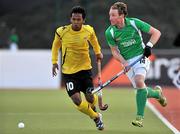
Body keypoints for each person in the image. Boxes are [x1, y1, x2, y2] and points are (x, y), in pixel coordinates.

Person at [105, 2, 167, 127]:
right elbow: (114, 52)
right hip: (127, 62)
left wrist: (149, 46)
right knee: (141, 89)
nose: (110, 18)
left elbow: (156, 33)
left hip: (141, 57)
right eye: (110, 15)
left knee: (139, 81)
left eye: (113, 15)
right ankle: (157, 94)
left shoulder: (134, 23)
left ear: (121, 15)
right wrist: (124, 63)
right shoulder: (110, 32)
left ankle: (139, 118)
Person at [51, 6, 104, 130]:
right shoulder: (61, 31)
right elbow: (55, 46)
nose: (75, 22)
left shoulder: (89, 30)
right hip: (68, 72)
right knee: (76, 99)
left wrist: (98, 52)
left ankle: (93, 108)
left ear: (83, 20)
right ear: (70, 19)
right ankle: (96, 117)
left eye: (78, 19)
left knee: (90, 97)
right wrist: (54, 62)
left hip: (85, 70)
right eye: (73, 19)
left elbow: (94, 41)